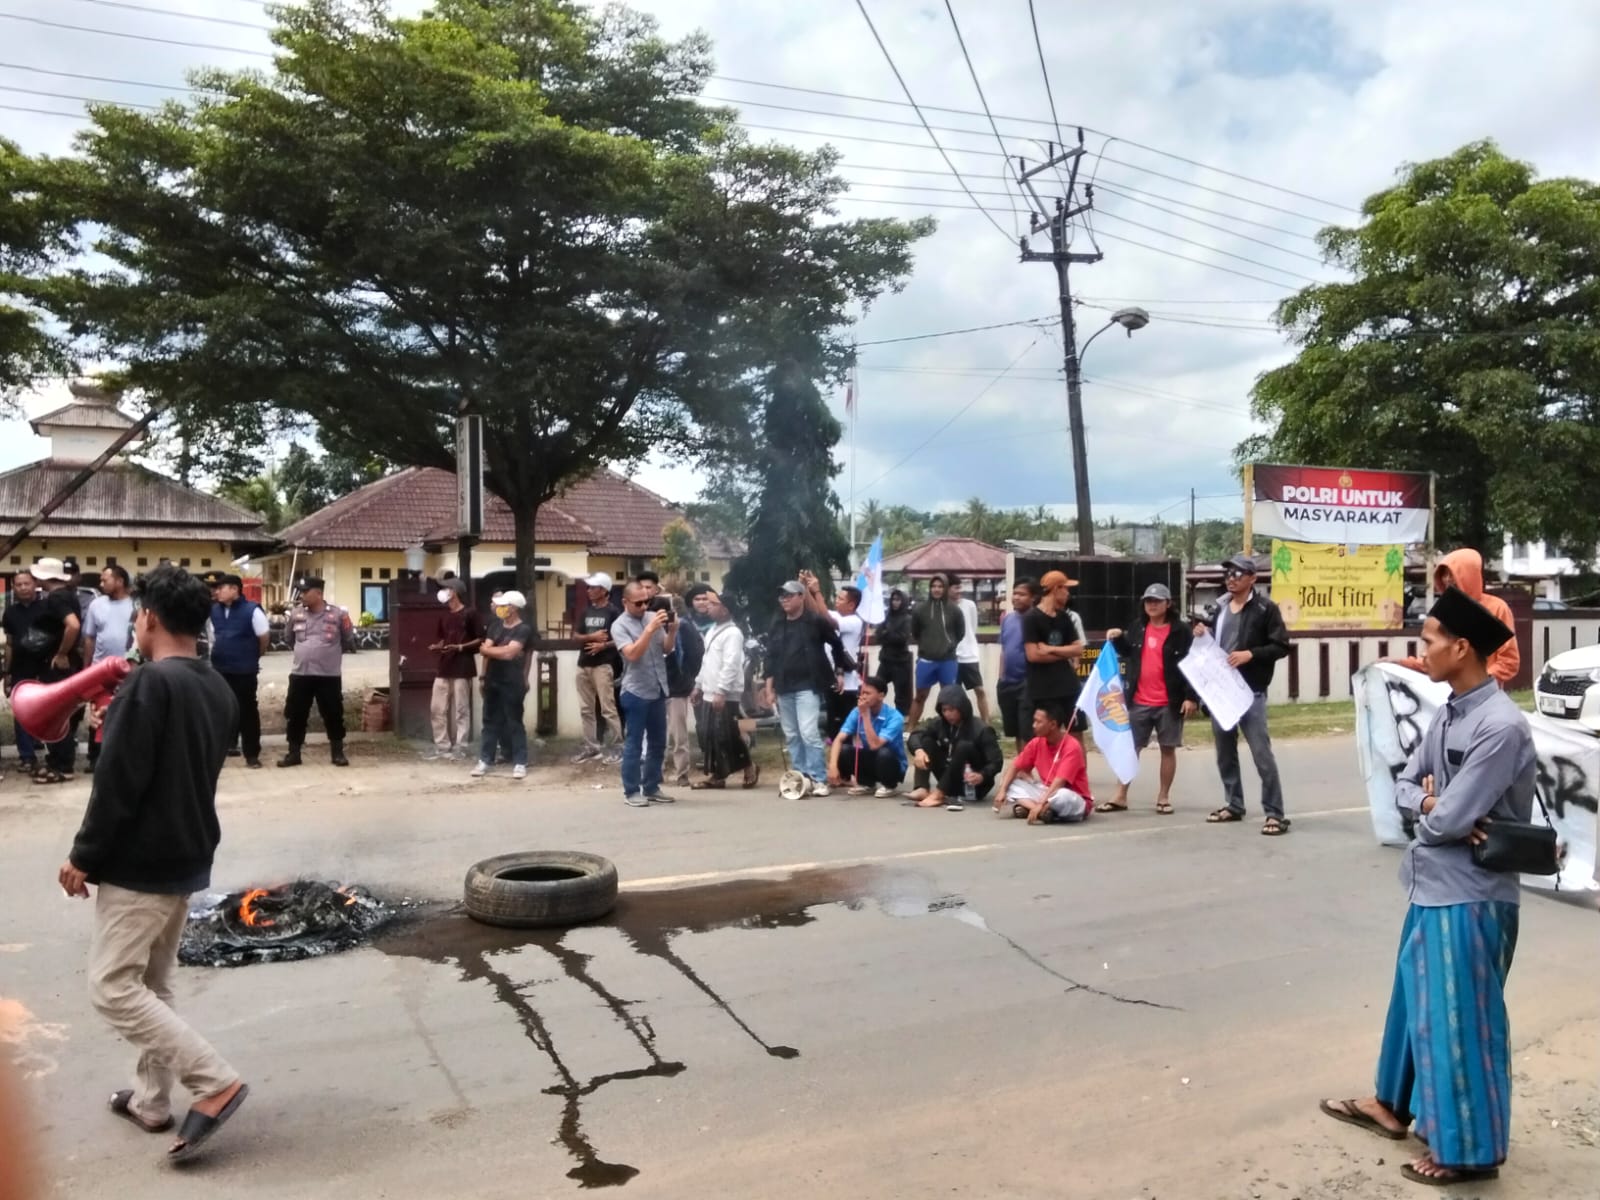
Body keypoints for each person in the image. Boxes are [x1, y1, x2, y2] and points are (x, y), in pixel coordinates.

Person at [1318, 587, 1534, 1188]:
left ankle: (1469, 1150)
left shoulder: (1500, 727)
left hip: (1472, 897)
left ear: (1462, 647)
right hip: (1432, 885)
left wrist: (1435, 806)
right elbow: (1408, 788)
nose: (1423, 650)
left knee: (1461, 1022)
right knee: (1413, 1007)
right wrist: (1432, 800)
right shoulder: (1450, 712)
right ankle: (1392, 1104)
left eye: (1431, 640)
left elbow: (1445, 821)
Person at [56, 564, 249, 1163]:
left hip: (142, 860)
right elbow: (170, 761)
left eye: (138, 615)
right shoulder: (215, 685)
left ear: (151, 618)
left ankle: (213, 1081)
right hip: (188, 852)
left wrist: (83, 856)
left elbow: (120, 782)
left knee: (113, 987)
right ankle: (150, 1101)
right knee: (152, 985)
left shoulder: (149, 683)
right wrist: (113, 725)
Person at [1194, 556, 1291, 835]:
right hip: (1221, 690)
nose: (1231, 577)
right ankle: (1234, 803)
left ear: (1252, 578)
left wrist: (1252, 654)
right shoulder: (1219, 606)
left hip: (1250, 690)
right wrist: (1203, 632)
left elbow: (1281, 646)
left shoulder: (1265, 608)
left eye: (1238, 573)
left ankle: (1275, 813)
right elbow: (1212, 642)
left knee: (1261, 753)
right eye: (1228, 572)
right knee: (1225, 752)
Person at [1102, 583, 1198, 815]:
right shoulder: (1137, 627)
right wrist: (1117, 638)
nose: (1152, 605)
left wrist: (1191, 697)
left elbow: (1192, 664)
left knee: (1167, 748)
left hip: (1169, 701)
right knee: (1131, 748)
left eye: (1157, 601)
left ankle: (1163, 796)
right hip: (1139, 700)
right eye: (1148, 601)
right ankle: (1120, 795)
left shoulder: (1181, 631)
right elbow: (1127, 652)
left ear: (1168, 603)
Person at [761, 579, 852, 797]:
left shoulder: (815, 621)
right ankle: (800, 776)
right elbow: (771, 656)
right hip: (784, 685)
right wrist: (769, 687)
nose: (784, 599)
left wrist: (839, 671)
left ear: (801, 597)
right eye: (782, 596)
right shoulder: (777, 623)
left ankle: (818, 778)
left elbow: (837, 644)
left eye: (789, 595)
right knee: (791, 734)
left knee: (808, 732)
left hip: (808, 684)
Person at [1387, 548, 1520, 687]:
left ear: (1469, 574)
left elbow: (1509, 662)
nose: (1447, 579)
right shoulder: (1446, 610)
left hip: (1485, 697)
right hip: (1450, 695)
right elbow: (1437, 656)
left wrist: (1480, 682)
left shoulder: (1497, 608)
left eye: (1453, 574)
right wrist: (1400, 663)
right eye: (1444, 574)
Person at [611, 581, 679, 807]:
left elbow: (666, 649)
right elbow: (632, 655)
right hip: (635, 691)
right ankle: (631, 790)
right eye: (638, 603)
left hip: (658, 687)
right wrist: (649, 631)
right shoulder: (619, 625)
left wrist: (672, 631)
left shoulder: (653, 617)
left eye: (647, 602)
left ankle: (651, 786)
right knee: (634, 743)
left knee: (659, 741)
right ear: (625, 602)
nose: (643, 607)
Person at [277, 577, 356, 768]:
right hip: (301, 674)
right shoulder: (296, 614)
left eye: (305, 591)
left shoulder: (338, 615)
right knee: (296, 714)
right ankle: (293, 753)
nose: (302, 595)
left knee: (333, 714)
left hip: (328, 675)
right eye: (301, 592)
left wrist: (328, 655)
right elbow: (289, 638)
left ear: (318, 593)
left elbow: (348, 640)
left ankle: (337, 752)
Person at [690, 590, 757, 789]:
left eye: (713, 603)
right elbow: (706, 662)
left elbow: (731, 664)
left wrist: (721, 690)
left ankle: (749, 767)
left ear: (725, 610)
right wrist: (698, 686)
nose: (708, 606)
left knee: (728, 734)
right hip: (710, 691)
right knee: (711, 735)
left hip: (725, 694)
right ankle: (718, 775)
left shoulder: (733, 633)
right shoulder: (712, 631)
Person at [206, 573, 270, 769]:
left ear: (234, 589)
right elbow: (211, 637)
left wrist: (252, 657)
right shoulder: (213, 611)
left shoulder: (252, 611)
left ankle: (252, 754)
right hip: (220, 669)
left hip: (244, 670)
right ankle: (224, 748)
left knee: (247, 711)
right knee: (221, 710)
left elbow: (263, 637)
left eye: (221, 588)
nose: (217, 592)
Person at [905, 684, 1003, 810]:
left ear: (962, 707)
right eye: (944, 710)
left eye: (952, 710)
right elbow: (916, 735)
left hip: (974, 783)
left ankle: (939, 794)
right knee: (927, 741)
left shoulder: (982, 729)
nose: (947, 714)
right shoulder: (941, 723)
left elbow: (996, 762)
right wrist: (918, 751)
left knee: (964, 746)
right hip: (949, 776)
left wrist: (982, 775)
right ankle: (922, 787)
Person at [30, 557, 85, 783]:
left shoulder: (57, 597)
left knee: (57, 714)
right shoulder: (67, 595)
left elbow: (73, 625)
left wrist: (61, 653)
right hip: (61, 663)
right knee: (61, 713)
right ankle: (56, 760)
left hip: (58, 665)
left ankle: (62, 765)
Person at [994, 701, 1092, 824]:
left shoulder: (1072, 746)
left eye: (1038, 722)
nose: (1034, 725)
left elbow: (1060, 782)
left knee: (1062, 796)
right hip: (1047, 792)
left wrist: (1041, 802)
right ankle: (1041, 812)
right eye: (1034, 721)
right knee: (1010, 781)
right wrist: (1002, 791)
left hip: (1073, 798)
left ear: (1053, 724)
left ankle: (1039, 808)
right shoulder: (1036, 743)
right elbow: (1015, 766)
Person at [473, 590, 532, 780]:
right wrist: (494, 652)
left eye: (503, 605)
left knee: (514, 722)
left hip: (512, 682)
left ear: (513, 608)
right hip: (493, 680)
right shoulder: (495, 626)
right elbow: (484, 648)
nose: (499, 608)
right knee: (489, 722)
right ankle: (484, 760)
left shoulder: (523, 629)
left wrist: (492, 650)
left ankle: (520, 762)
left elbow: (510, 653)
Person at [425, 577, 483, 761]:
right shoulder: (443, 614)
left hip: (463, 667)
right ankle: (442, 746)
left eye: (446, 588)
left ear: (455, 592)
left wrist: (460, 647)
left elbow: (481, 638)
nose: (443, 592)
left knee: (461, 709)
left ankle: (461, 746)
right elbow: (443, 638)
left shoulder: (470, 613)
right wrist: (438, 646)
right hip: (444, 666)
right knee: (437, 708)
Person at [1022, 570, 1086, 736]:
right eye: (1065, 589)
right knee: (1045, 737)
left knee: (1076, 734)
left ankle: (1078, 763)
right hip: (1043, 690)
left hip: (1069, 687)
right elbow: (1033, 655)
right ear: (1056, 589)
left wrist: (1051, 649)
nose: (1067, 594)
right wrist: (1065, 653)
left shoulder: (1064, 617)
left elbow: (1078, 649)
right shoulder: (1031, 618)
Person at [825, 674, 907, 797]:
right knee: (844, 750)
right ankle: (866, 783)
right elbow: (839, 739)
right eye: (862, 693)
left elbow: (875, 745)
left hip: (892, 763)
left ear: (881, 696)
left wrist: (865, 716)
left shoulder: (895, 717)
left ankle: (889, 785)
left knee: (883, 753)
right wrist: (833, 766)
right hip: (871, 758)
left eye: (868, 693)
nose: (863, 696)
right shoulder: (856, 712)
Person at [572, 572, 624, 764]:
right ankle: (591, 747)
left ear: (604, 590)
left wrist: (604, 645)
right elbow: (576, 636)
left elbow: (621, 637)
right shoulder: (586, 612)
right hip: (583, 664)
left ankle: (619, 747)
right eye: (589, 587)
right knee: (586, 709)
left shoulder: (613, 612)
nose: (589, 591)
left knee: (608, 708)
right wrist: (591, 638)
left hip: (603, 665)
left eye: (593, 587)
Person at [2, 568, 48, 776]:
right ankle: (27, 757)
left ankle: (49, 753)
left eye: (26, 583)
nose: (22, 588)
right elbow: (9, 645)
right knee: (21, 713)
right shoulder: (10, 612)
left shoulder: (46, 608)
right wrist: (7, 673)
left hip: (45, 668)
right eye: (18, 585)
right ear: (14, 587)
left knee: (46, 712)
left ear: (34, 584)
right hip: (20, 669)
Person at [807, 574, 866, 739]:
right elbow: (817, 611)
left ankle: (847, 755)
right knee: (833, 726)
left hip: (847, 683)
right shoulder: (835, 614)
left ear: (851, 605)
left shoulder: (855, 621)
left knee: (846, 728)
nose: (836, 600)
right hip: (831, 677)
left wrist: (818, 593)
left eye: (840, 599)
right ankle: (835, 754)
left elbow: (828, 622)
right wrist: (807, 589)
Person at [910, 574, 965, 724]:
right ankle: (909, 730)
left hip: (947, 660)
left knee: (949, 698)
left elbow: (960, 633)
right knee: (920, 696)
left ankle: (949, 728)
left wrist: (949, 645)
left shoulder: (954, 610)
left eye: (940, 586)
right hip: (926, 659)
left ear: (945, 588)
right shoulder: (920, 609)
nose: (936, 589)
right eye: (933, 586)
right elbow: (915, 632)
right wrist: (927, 646)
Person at [664, 593, 705, 788]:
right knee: (659, 733)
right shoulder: (654, 625)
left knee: (678, 733)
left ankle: (682, 773)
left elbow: (696, 655)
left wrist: (688, 678)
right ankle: (656, 771)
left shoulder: (685, 627)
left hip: (677, 686)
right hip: (659, 685)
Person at [996, 580, 1036, 752]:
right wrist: (1001, 677)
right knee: (1016, 731)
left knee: (1027, 728)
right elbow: (1004, 649)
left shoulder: (1037, 619)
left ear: (1033, 598)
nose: (1017, 598)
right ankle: (1022, 768)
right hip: (1007, 682)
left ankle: (1028, 770)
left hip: (1028, 682)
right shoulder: (1008, 619)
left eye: (1022, 594)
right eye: (1015, 593)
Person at [946, 578, 990, 724]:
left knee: (980, 690)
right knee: (954, 694)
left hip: (970, 655)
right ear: (948, 589)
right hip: (951, 656)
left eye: (960, 588)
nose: (958, 591)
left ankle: (986, 724)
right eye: (955, 588)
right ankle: (958, 724)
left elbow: (973, 626)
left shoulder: (969, 605)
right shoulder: (943, 607)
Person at [873, 587, 915, 716]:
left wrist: (887, 633)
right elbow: (878, 635)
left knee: (901, 696)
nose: (895, 603)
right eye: (893, 600)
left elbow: (902, 638)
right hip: (885, 660)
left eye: (898, 600)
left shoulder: (907, 618)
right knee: (875, 689)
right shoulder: (886, 616)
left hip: (901, 662)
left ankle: (901, 721)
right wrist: (888, 634)